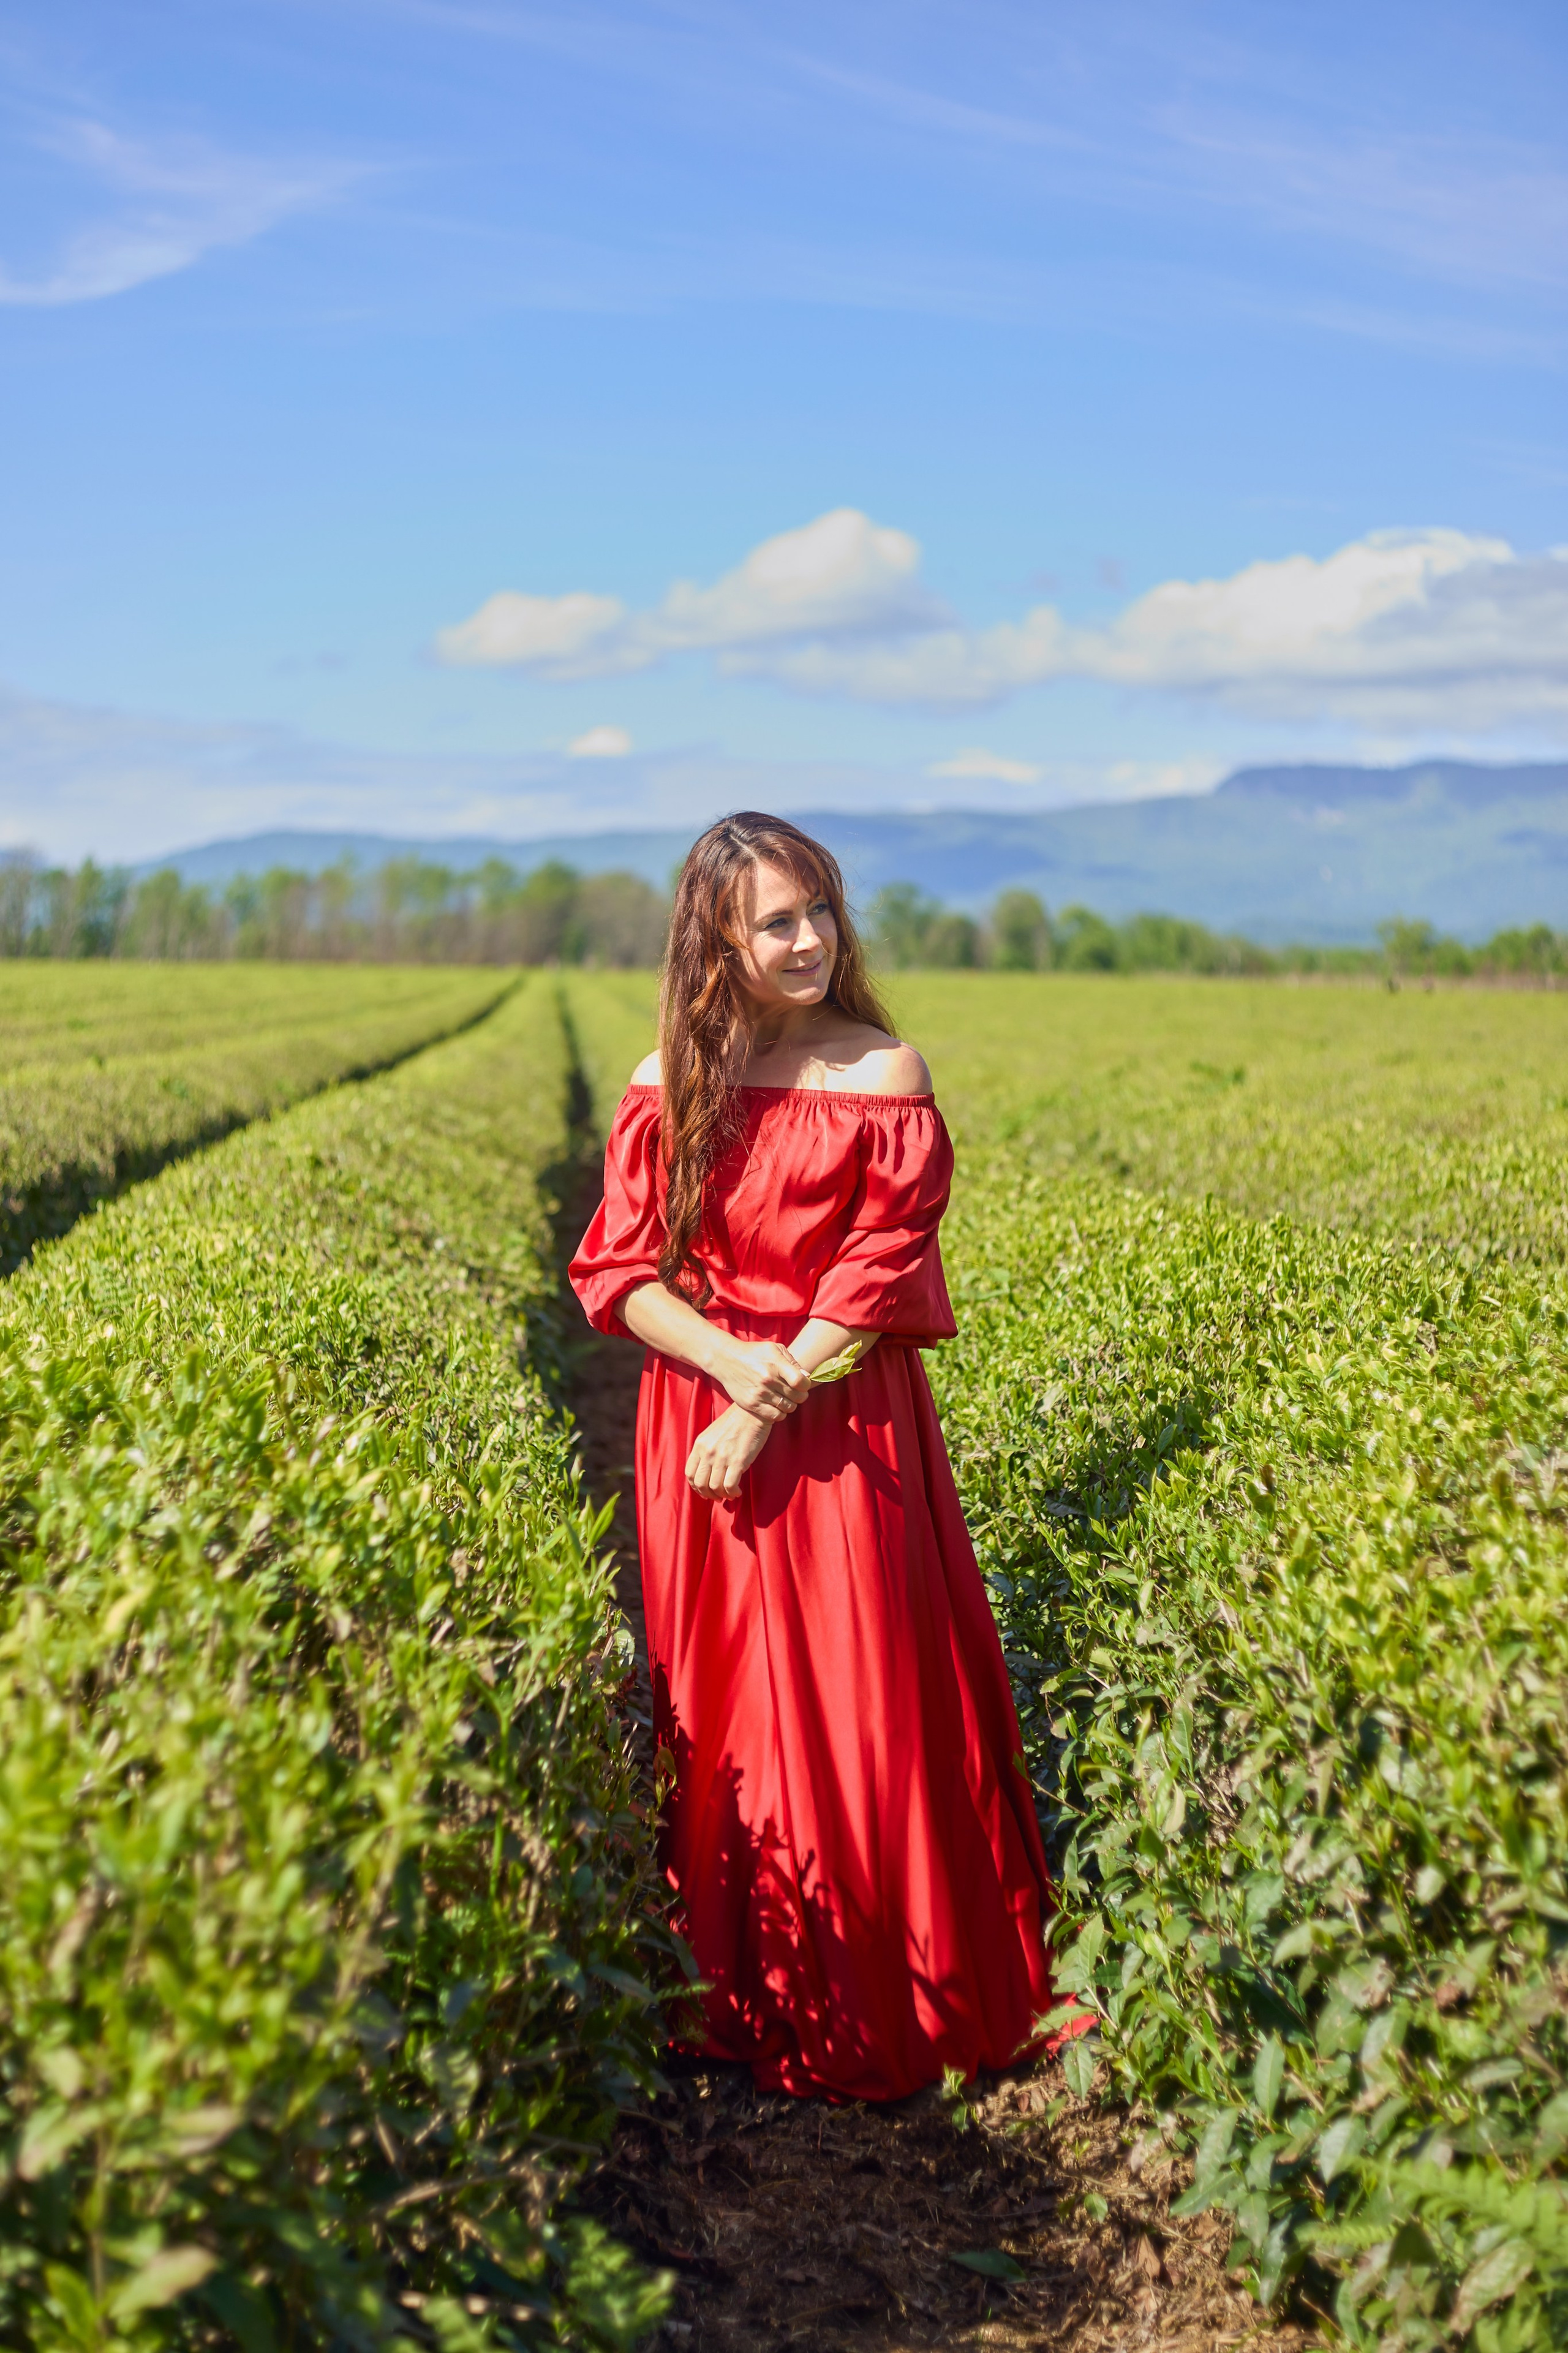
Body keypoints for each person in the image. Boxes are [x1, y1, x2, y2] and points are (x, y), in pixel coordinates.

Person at [569, 812, 1078, 2101]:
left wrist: (765, 1392)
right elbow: (618, 1273)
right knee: (726, 1701)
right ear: (716, 941)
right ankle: (740, 1989)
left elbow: (879, 1268)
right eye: (774, 921)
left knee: (862, 1689)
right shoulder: (661, 1083)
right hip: (700, 1409)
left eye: (819, 913)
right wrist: (728, 1372)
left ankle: (889, 1992)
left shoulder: (882, 1074)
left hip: (837, 1419)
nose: (807, 941)